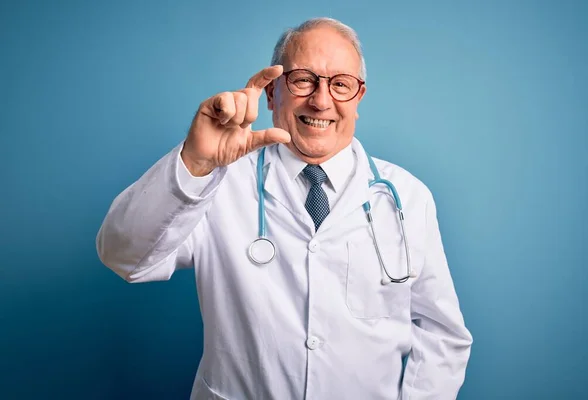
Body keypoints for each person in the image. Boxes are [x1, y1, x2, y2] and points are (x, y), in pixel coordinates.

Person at [96, 17, 473, 400]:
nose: (321, 101)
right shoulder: (219, 180)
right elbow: (124, 257)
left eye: (340, 85)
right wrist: (195, 161)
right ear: (273, 94)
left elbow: (442, 334)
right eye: (303, 80)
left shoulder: (407, 197)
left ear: (358, 99)